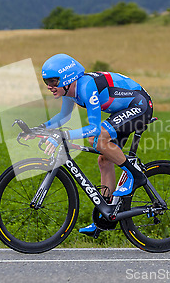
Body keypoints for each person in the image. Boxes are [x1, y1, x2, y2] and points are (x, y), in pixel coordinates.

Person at [37, 53, 154, 236]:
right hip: (125, 110)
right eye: (47, 82)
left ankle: (135, 176)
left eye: (53, 81)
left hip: (139, 105)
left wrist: (64, 135)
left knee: (97, 140)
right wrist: (39, 129)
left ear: (67, 77)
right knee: (104, 161)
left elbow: (93, 128)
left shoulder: (86, 86)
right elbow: (64, 117)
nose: (50, 87)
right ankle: (105, 216)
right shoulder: (70, 90)